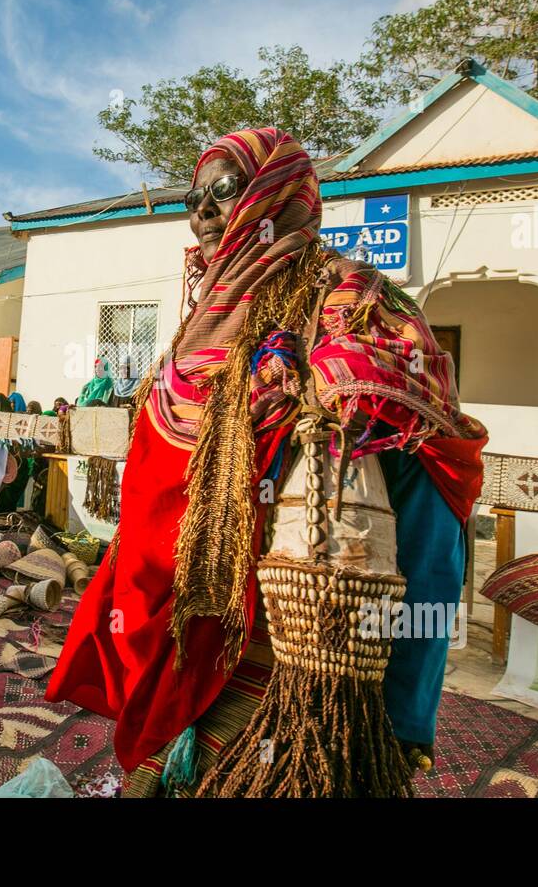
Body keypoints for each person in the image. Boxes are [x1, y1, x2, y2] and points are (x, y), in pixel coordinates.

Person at [45, 128, 487, 797]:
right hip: (188, 615)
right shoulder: (207, 315)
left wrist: (333, 387)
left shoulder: (352, 298)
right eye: (194, 196)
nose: (202, 210)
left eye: (223, 191)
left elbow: (424, 470)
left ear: (275, 194)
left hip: (298, 633)